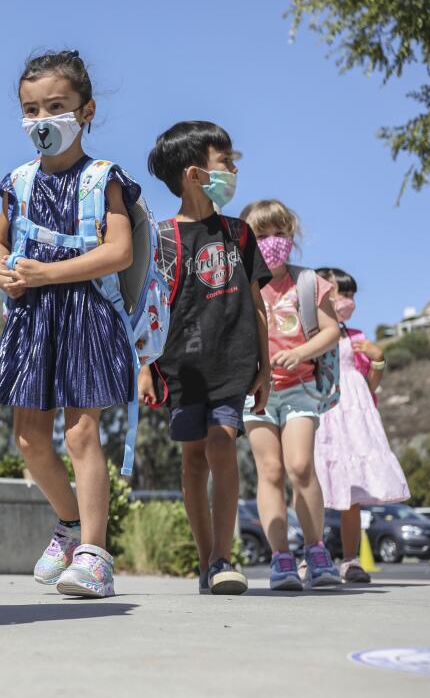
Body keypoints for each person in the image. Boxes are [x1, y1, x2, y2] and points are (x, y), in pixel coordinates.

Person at [0, 50, 141, 598]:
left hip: (86, 313)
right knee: (29, 440)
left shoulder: (105, 180)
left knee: (81, 432)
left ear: (86, 110)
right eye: (31, 109)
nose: (42, 120)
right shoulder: (18, 181)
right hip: (31, 316)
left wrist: (50, 273)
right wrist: (1, 272)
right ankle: (71, 525)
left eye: (56, 106)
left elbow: (119, 251)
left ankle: (96, 554)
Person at [138, 121, 271, 594]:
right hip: (181, 367)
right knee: (193, 459)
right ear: (195, 173)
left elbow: (257, 304)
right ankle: (204, 563)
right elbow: (145, 312)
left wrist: (266, 367)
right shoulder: (161, 237)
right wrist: (143, 368)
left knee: (221, 442)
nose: (234, 169)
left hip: (233, 362)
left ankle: (222, 558)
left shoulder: (239, 233)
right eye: (226, 161)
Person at [239, 199, 343, 590]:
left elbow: (332, 330)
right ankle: (281, 557)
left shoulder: (308, 281)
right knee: (270, 471)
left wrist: (300, 352)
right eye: (262, 234)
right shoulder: (241, 283)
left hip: (300, 387)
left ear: (292, 236)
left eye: (279, 233)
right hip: (255, 393)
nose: (272, 241)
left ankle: (316, 549)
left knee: (300, 467)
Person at [312, 267, 409, 583]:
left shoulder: (356, 338)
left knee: (350, 491)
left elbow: (371, 384)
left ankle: (350, 560)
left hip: (354, 417)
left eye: (352, 294)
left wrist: (378, 359)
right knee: (312, 484)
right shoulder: (309, 332)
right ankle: (309, 555)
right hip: (324, 413)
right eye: (344, 293)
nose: (349, 300)